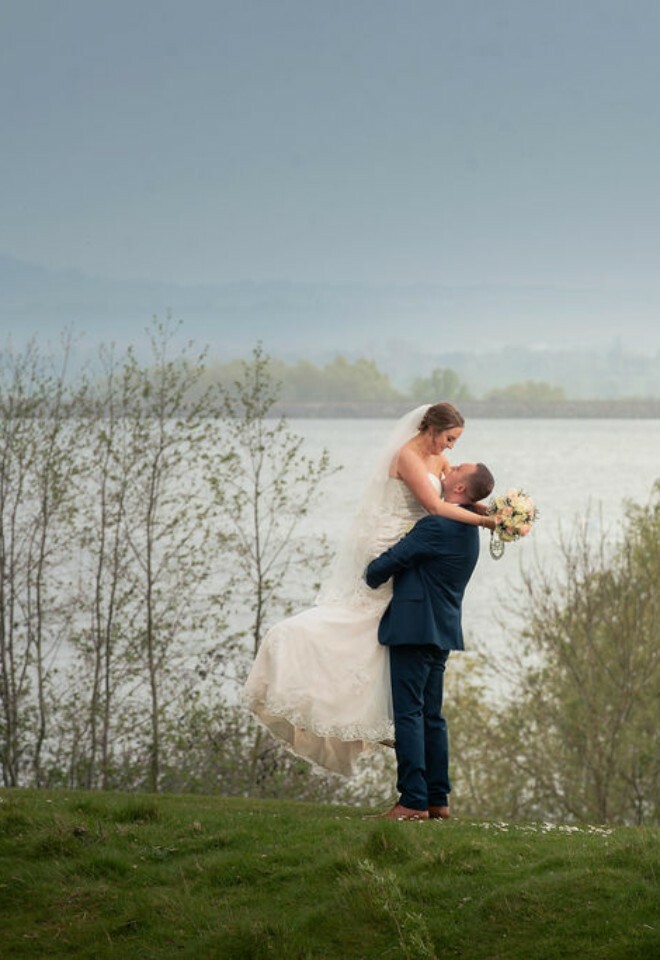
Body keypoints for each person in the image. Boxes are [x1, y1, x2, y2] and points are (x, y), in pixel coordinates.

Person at [242, 403, 494, 777]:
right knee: (367, 624)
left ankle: (380, 718)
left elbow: (460, 495)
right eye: (449, 439)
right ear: (433, 428)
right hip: (392, 541)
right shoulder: (407, 457)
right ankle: (323, 676)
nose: (451, 450)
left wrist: (503, 513)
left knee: (382, 640)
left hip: (417, 541)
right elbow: (436, 506)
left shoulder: (441, 464)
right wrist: (486, 522)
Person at [365, 461, 495, 820]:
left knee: (408, 714)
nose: (449, 468)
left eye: (457, 470)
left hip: (414, 628)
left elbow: (385, 565)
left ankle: (412, 800)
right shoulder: (468, 530)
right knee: (431, 717)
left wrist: (368, 570)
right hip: (441, 630)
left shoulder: (437, 525)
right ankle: (437, 799)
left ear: (458, 490)